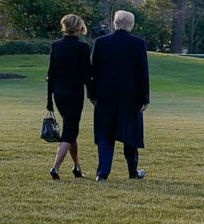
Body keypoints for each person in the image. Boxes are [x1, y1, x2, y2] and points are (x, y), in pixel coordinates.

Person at [89, 10, 150, 181]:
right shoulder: (138, 44)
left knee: (105, 135)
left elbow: (93, 71)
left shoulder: (101, 42)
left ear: (114, 23)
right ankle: (132, 171)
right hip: (130, 97)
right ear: (131, 24)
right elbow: (142, 73)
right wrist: (144, 98)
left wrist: (92, 95)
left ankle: (102, 173)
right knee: (130, 134)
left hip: (105, 96)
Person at [46, 14, 93, 180]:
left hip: (58, 93)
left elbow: (50, 75)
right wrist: (92, 95)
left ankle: (77, 166)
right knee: (70, 130)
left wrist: (49, 100)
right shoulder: (82, 47)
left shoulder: (56, 46)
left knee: (70, 128)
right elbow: (87, 75)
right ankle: (55, 167)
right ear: (79, 27)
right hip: (74, 93)